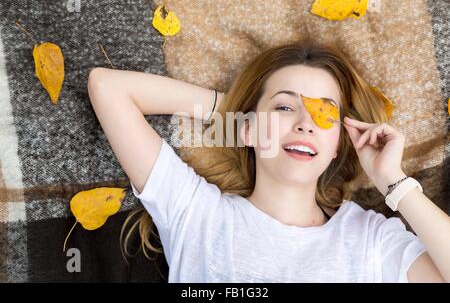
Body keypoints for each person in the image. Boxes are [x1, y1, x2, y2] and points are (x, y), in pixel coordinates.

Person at [87, 40, 449, 282]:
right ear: (247, 131)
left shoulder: (372, 240)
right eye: (285, 107)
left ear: (338, 142)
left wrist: (395, 183)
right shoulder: (196, 213)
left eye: (324, 113)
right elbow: (107, 87)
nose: (305, 123)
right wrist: (230, 110)